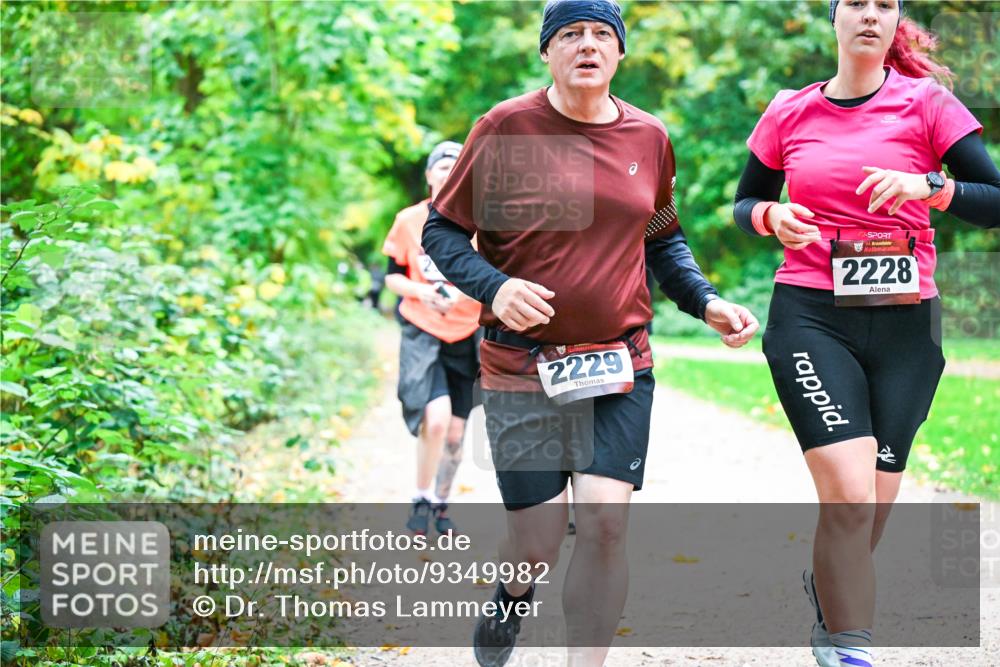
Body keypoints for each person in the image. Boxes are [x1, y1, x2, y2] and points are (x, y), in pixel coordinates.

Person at [423, 2, 759, 665]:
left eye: (602, 34)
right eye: (570, 34)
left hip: (620, 363)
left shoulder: (649, 137)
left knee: (606, 525)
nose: (587, 45)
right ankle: (511, 595)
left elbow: (663, 237)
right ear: (545, 52)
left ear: (620, 53)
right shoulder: (505, 128)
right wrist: (496, 287)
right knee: (539, 543)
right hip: (523, 368)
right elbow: (441, 231)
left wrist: (706, 300)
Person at [733, 1, 999, 665]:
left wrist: (931, 186)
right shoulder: (790, 110)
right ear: (835, 18)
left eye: (884, 3)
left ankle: (828, 582)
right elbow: (745, 202)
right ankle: (846, 645)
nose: (870, 14)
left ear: (895, 19)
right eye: (856, 2)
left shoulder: (928, 105)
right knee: (849, 493)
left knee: (873, 500)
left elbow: (994, 200)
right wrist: (770, 215)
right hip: (812, 315)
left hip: (909, 326)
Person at [382, 140, 482, 536]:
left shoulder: (481, 224)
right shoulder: (409, 220)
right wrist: (423, 292)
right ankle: (420, 497)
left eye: (457, 165)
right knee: (435, 420)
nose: (449, 170)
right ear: (429, 174)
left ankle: (441, 505)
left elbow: (494, 277)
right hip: (423, 331)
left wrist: (463, 293)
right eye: (442, 165)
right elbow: (393, 274)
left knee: (456, 433)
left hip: (468, 334)